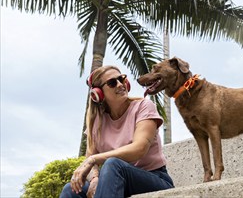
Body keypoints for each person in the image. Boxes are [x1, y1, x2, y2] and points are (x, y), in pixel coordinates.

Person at [60, 65, 174, 198]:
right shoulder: (97, 121)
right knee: (71, 190)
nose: (120, 84)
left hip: (154, 178)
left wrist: (94, 159)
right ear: (98, 93)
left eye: (121, 79)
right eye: (112, 83)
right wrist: (95, 179)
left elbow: (140, 148)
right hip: (113, 181)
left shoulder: (143, 106)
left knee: (113, 164)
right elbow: (91, 162)